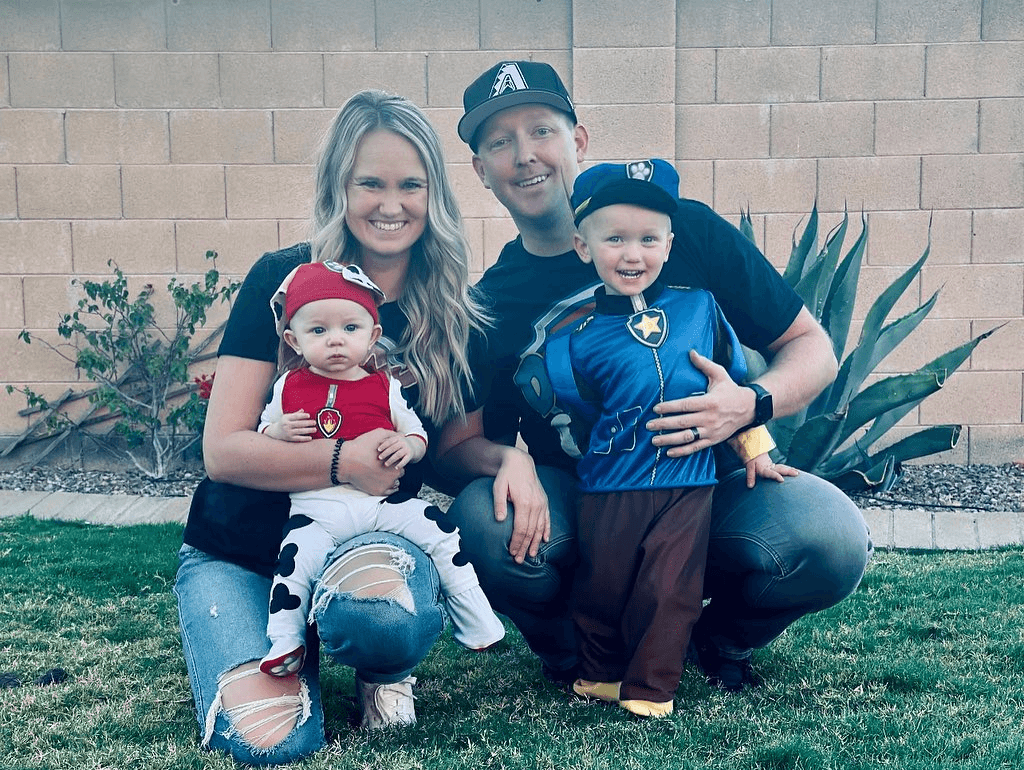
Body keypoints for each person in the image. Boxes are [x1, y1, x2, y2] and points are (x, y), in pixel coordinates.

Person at [434, 60, 873, 695]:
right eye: (499, 142)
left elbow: (812, 348)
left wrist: (747, 406)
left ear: (578, 140)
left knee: (829, 537)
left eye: (541, 130)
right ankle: (575, 653)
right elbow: (454, 448)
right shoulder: (489, 304)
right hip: (585, 501)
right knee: (486, 521)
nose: (525, 155)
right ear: (480, 170)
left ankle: (715, 642)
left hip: (705, 484)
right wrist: (508, 460)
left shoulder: (682, 228)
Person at [175, 89, 491, 765]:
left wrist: (510, 462)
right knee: (271, 743)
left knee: (380, 617)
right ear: (337, 188)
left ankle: (380, 664)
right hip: (241, 553)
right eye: (369, 182)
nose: (390, 203)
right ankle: (290, 653)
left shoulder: (453, 312)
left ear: (434, 194)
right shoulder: (281, 283)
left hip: (365, 546)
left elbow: (457, 449)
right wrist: (342, 461)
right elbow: (224, 451)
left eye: (411, 184)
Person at [544, 158, 797, 717]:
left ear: (669, 243)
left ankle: (651, 687)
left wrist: (754, 446)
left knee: (670, 585)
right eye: (614, 239)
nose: (632, 255)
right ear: (584, 248)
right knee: (603, 585)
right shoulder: (573, 338)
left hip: (690, 480)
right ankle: (601, 674)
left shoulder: (700, 308)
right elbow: (577, 406)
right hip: (610, 482)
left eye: (647, 240)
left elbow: (730, 381)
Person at [258, 261, 503, 677]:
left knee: (440, 534)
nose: (335, 341)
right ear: (293, 339)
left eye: (350, 329)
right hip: (316, 512)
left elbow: (419, 436)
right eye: (318, 331)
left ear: (372, 336)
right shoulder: (289, 386)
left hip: (380, 505)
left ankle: (474, 616)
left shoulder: (384, 386)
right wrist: (278, 429)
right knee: (293, 564)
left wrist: (405, 445)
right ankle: (286, 641)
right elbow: (263, 431)